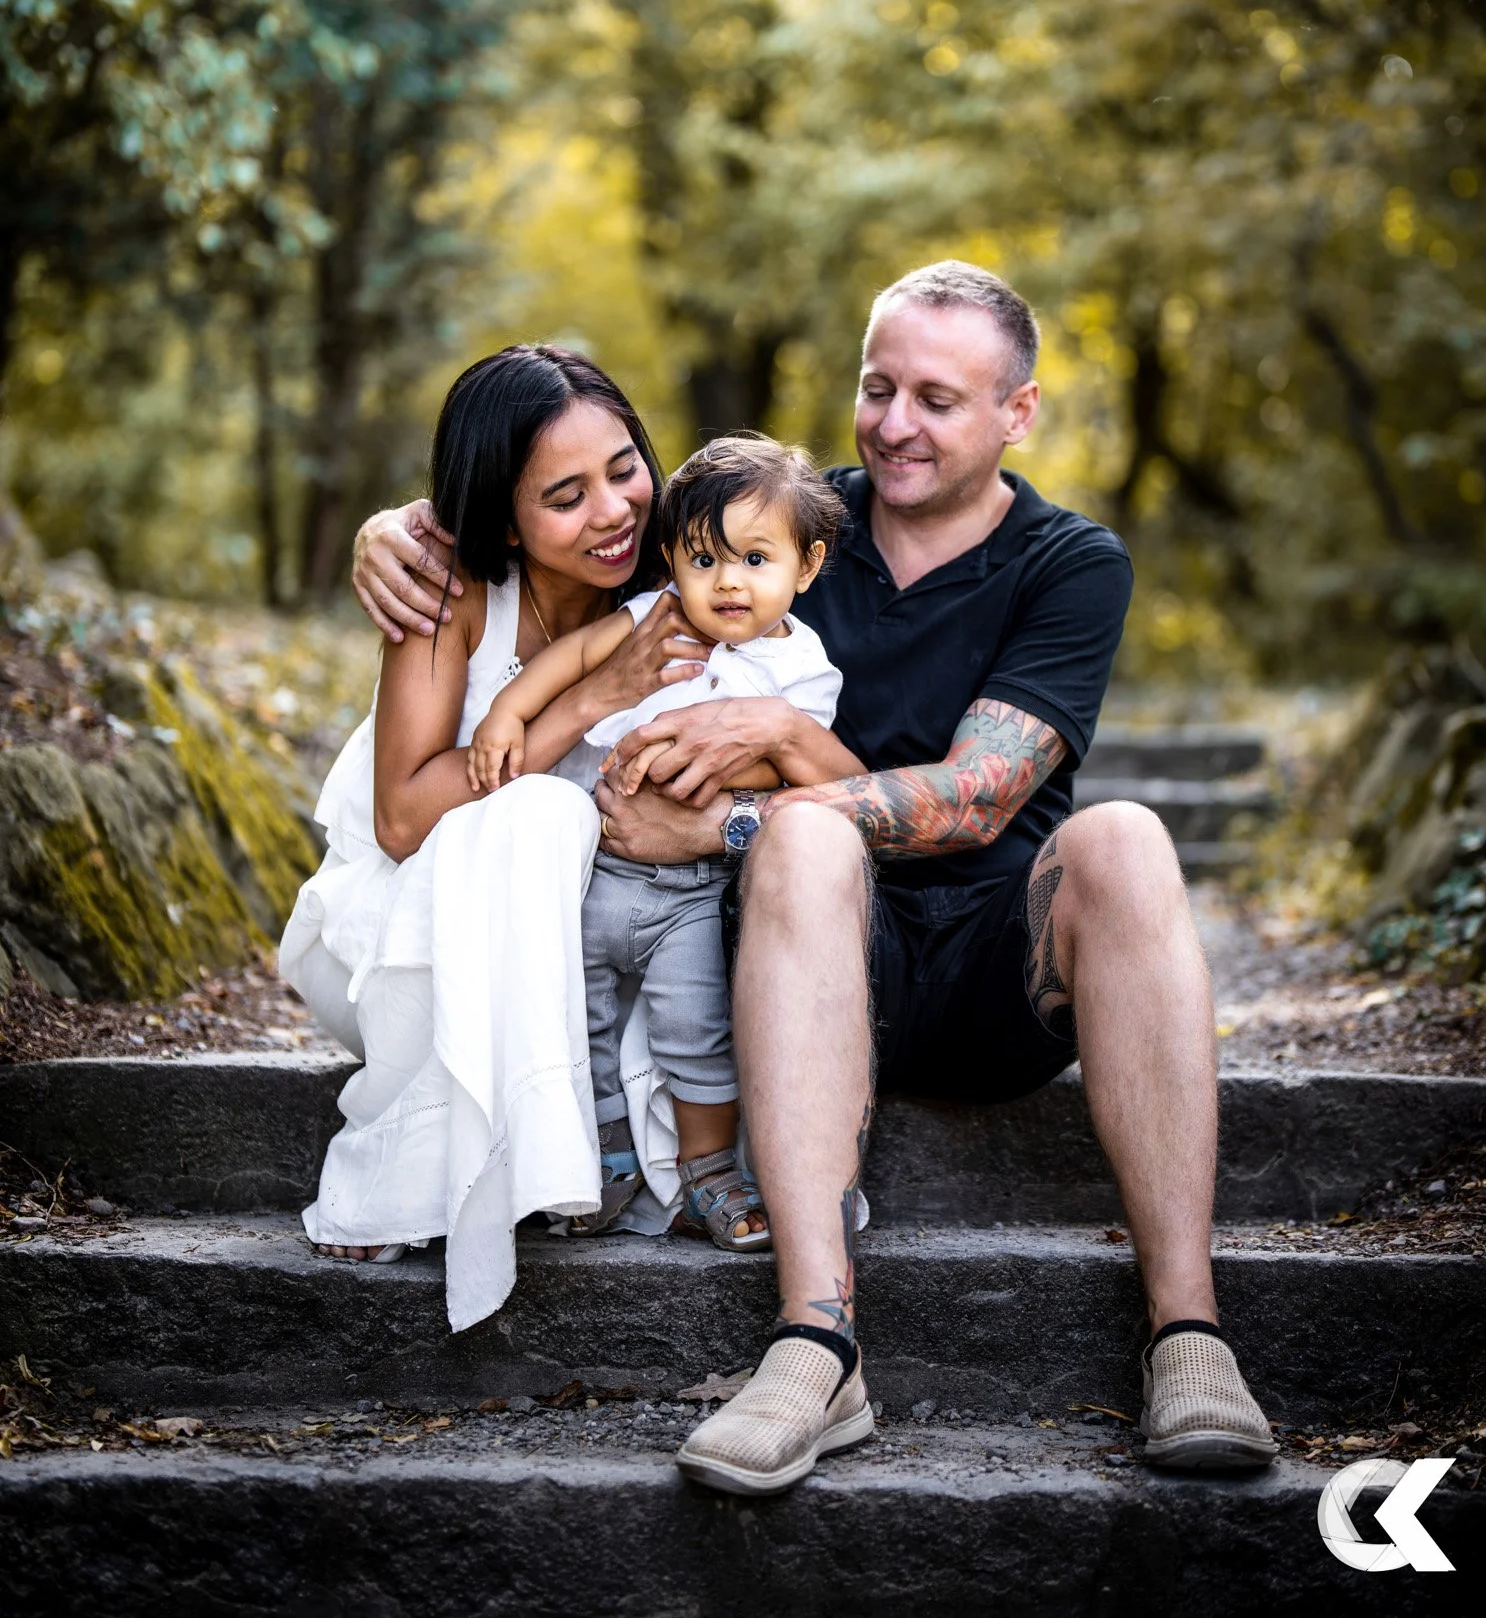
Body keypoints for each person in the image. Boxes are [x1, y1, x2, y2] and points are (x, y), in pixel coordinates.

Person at [352, 260, 1277, 1491]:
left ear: (1018, 412)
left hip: (1006, 966)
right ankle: (816, 1339)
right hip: (812, 964)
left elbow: (981, 794)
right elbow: (585, 513)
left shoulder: (1070, 561)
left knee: (1126, 838)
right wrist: (409, 524)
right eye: (877, 385)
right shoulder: (776, 525)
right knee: (803, 837)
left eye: (939, 398)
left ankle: (1190, 1330)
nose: (896, 421)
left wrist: (769, 764)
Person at [281, 344, 718, 1333]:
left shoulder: (683, 578)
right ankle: (399, 1171)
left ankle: (587, 1162)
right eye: (564, 495)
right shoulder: (450, 590)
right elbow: (402, 815)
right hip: (410, 928)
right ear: (502, 516)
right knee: (543, 811)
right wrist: (592, 697)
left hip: (598, 941)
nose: (612, 510)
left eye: (622, 468)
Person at [468, 435, 845, 1252]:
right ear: (670, 557)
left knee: (696, 1031)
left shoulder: (804, 671)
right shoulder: (652, 619)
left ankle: (710, 1171)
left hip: (690, 896)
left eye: (755, 557)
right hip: (589, 876)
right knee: (581, 1027)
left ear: (806, 567)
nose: (729, 581)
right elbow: (569, 656)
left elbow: (813, 780)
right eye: (703, 559)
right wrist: (505, 713)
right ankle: (600, 1164)